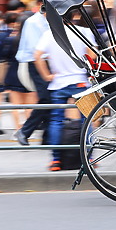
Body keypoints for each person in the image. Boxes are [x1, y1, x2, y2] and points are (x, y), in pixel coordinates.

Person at [34, 12, 95, 171]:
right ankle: (90, 157)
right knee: (86, 119)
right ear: (73, 15)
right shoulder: (84, 32)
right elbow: (92, 56)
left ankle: (56, 159)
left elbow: (37, 56)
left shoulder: (49, 35)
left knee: (56, 120)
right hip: (80, 81)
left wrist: (47, 75)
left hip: (58, 83)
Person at [12, 0, 51, 146]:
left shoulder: (47, 20)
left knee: (51, 99)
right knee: (46, 99)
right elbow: (37, 50)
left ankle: (47, 137)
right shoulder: (33, 22)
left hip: (46, 61)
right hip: (36, 62)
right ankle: (25, 131)